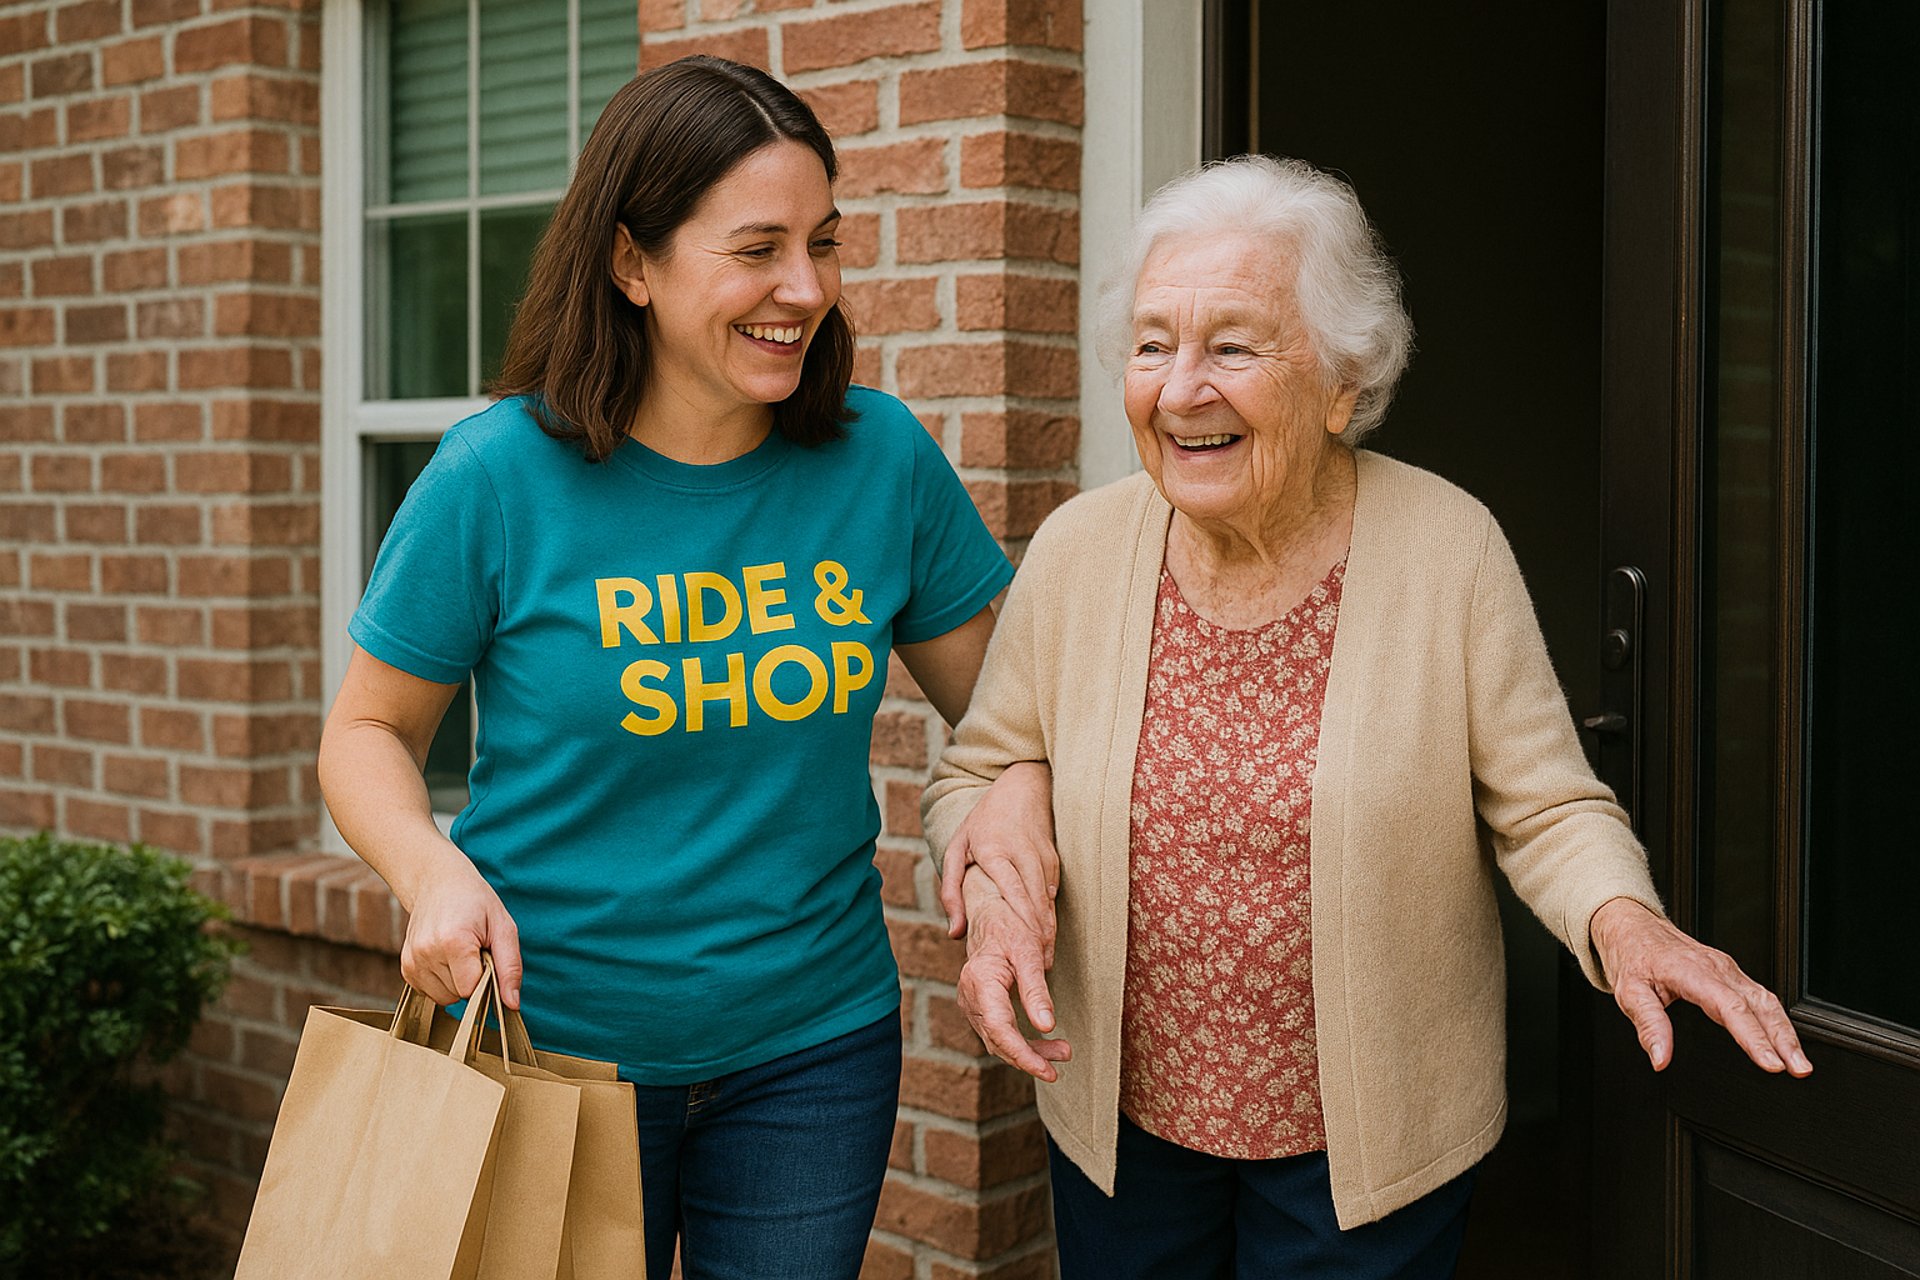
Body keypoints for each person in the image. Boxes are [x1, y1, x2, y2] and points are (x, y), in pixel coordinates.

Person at [921, 155, 1813, 1279]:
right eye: (1154, 344)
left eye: (1232, 345)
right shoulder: (1078, 551)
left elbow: (1544, 806)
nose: (1181, 387)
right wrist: (993, 861)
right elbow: (981, 769)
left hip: (1367, 1153)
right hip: (1124, 1131)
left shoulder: (1448, 548)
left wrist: (1624, 918)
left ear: (1342, 381)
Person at [317, 56, 1038, 1280]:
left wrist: (1015, 791)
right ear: (632, 262)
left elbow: (1011, 714)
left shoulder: (880, 461)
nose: (803, 288)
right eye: (757, 247)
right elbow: (366, 733)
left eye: (824, 241)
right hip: (556, 1052)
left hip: (813, 1050)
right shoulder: (498, 476)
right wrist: (430, 873)